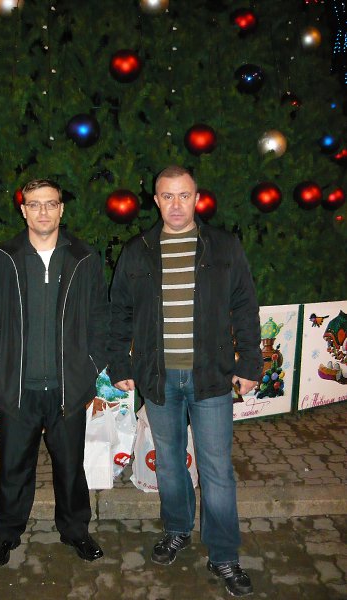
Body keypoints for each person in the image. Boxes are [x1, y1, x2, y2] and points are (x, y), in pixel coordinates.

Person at [107, 166, 262, 597]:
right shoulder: (138, 251)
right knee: (170, 462)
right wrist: (119, 364)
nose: (176, 204)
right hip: (157, 377)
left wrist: (251, 363)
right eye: (167, 196)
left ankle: (224, 554)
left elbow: (245, 307)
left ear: (197, 198)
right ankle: (177, 529)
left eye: (184, 195)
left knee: (216, 468)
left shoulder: (224, 246)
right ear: (156, 201)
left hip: (210, 376)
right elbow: (118, 312)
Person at [0, 178, 109, 566]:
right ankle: (5, 534)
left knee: (70, 469)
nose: (43, 211)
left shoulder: (83, 257)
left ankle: (76, 531)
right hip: (18, 389)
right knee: (14, 468)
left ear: (61, 209)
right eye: (34, 204)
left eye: (50, 204)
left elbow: (100, 317)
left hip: (68, 388)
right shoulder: (4, 257)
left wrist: (90, 367)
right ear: (23, 211)